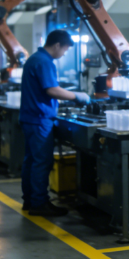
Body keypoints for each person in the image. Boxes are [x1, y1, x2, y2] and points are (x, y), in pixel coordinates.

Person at [19, 29, 90, 217]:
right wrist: (78, 96)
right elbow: (52, 90)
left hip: (30, 117)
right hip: (39, 119)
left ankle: (29, 200)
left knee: (31, 161)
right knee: (42, 162)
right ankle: (39, 203)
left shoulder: (34, 58)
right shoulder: (45, 62)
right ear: (57, 45)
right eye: (65, 49)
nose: (64, 53)